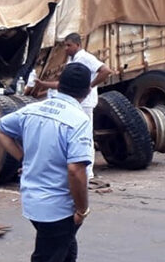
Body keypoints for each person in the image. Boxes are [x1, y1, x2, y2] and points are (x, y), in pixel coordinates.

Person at [0, 63, 93, 262]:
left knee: (65, 257)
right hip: (57, 208)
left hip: (34, 202)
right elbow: (76, 170)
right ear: (87, 90)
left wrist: (23, 158)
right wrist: (82, 209)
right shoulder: (78, 120)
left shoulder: (34, 109)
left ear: (60, 84)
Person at [35, 32, 113, 179]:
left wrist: (89, 86)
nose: (66, 48)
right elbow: (63, 84)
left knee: (85, 136)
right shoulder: (73, 60)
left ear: (78, 45)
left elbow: (106, 71)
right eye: (65, 45)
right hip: (75, 102)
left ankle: (87, 172)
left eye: (68, 45)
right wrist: (43, 84)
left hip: (85, 103)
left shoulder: (85, 58)